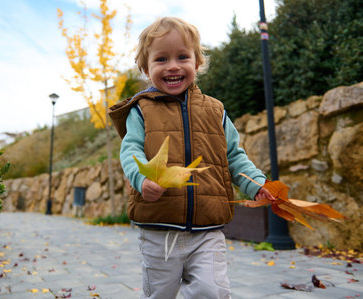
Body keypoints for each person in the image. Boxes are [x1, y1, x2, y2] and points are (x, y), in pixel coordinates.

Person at [108, 17, 275, 299]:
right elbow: (131, 151)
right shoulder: (141, 111)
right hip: (159, 229)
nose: (173, 65)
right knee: (159, 294)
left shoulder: (215, 111)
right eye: (161, 59)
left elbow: (234, 156)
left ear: (197, 63)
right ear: (145, 68)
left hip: (207, 229)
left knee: (213, 291)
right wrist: (142, 178)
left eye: (182, 57)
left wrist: (256, 183)